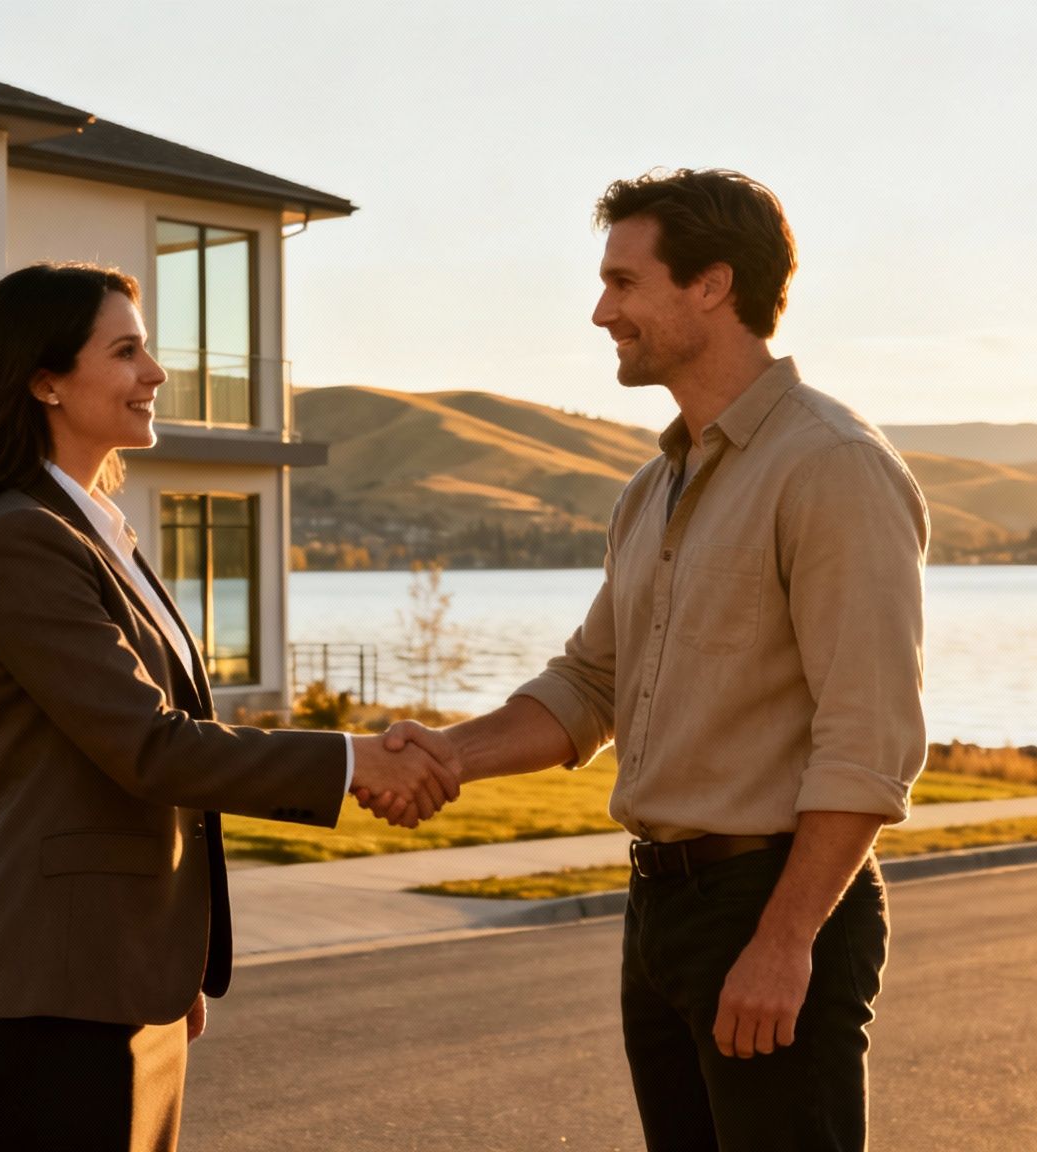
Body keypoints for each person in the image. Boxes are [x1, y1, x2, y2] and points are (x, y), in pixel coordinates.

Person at [380, 169, 928, 1151]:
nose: (602, 312)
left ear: (711, 286)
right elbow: (590, 684)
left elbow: (869, 738)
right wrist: (448, 755)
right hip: (661, 914)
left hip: (770, 906)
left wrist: (784, 940)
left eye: (624, 283)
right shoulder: (651, 490)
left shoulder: (831, 465)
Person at [0, 262, 459, 1152]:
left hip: (124, 971)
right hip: (62, 984)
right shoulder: (22, 538)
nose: (156, 372)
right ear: (45, 381)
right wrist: (353, 760)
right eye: (125, 351)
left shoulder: (95, 530)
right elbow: (153, 748)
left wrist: (167, 954)